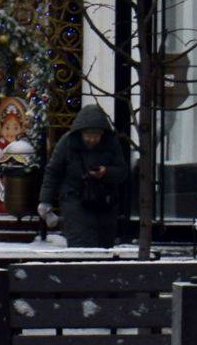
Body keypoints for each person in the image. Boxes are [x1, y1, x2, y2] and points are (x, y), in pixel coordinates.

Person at [40, 103, 133, 248]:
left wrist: (106, 172)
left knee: (104, 245)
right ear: (81, 133)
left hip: (104, 203)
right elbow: (53, 172)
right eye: (88, 135)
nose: (92, 140)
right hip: (74, 200)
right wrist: (45, 201)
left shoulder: (112, 143)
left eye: (96, 136)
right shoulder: (68, 142)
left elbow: (122, 171)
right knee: (80, 243)